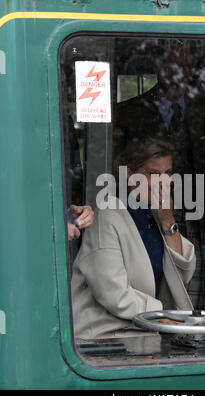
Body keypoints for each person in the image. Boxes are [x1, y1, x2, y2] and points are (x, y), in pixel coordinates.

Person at [71, 140, 196, 340]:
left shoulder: (155, 214)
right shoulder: (107, 214)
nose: (162, 182)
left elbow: (181, 279)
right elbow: (114, 294)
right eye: (153, 174)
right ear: (130, 175)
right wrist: (162, 316)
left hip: (144, 333)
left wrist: (168, 221)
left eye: (168, 174)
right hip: (101, 337)